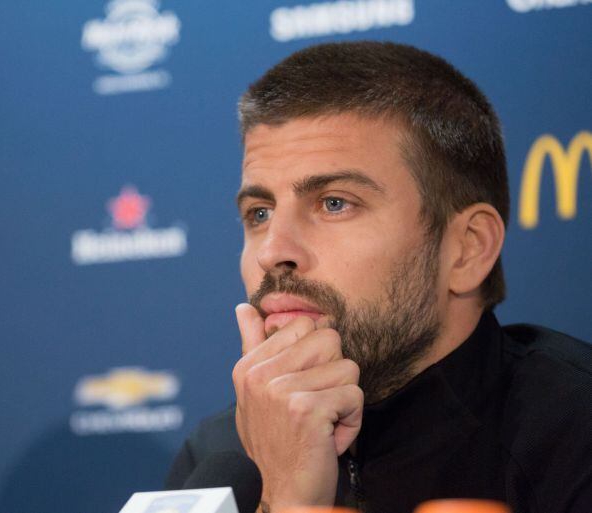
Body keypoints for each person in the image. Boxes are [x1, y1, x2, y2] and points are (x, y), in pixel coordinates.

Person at [165, 41, 592, 513]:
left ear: (468, 249)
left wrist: (291, 502)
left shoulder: (574, 430)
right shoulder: (219, 453)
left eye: (334, 203)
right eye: (259, 212)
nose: (272, 252)